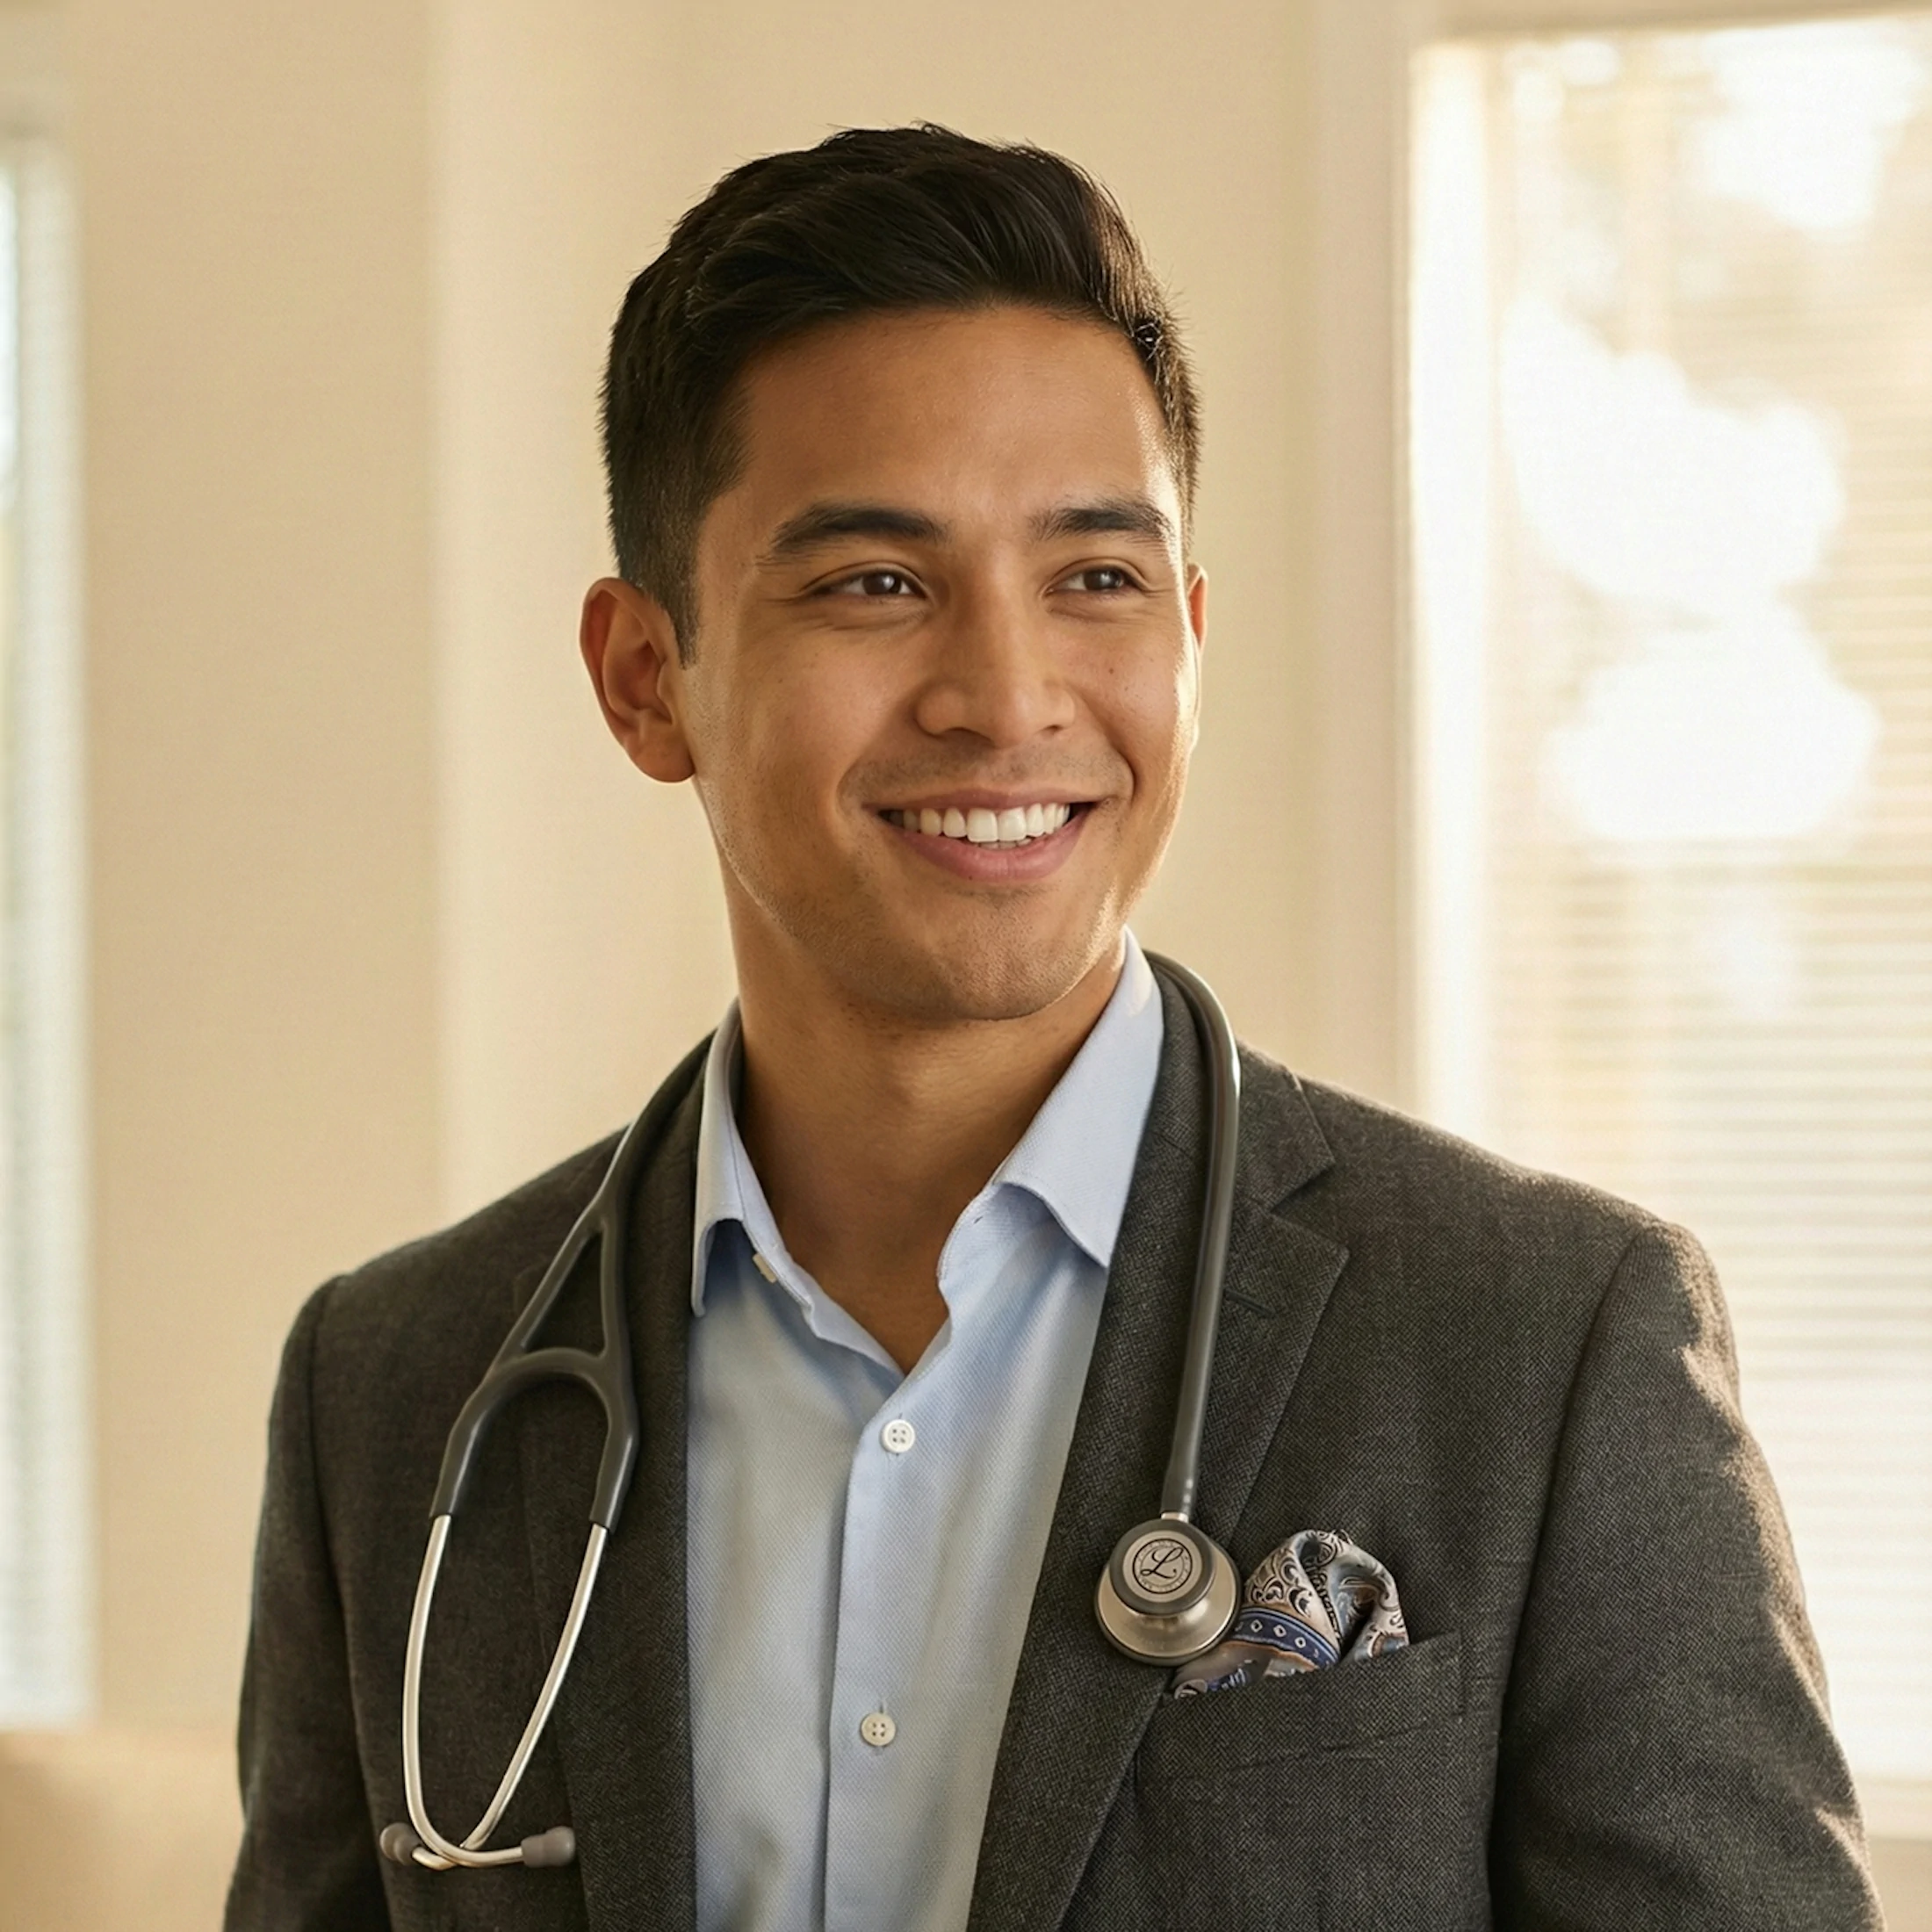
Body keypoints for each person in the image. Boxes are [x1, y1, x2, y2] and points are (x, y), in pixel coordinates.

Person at [225, 125, 1882, 1932]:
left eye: (1092, 579)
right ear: (646, 677)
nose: (1005, 694)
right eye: (873, 581)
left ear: (1188, 625)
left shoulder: (1540, 1344)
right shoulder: (395, 1389)